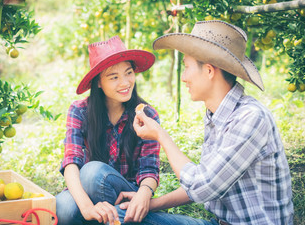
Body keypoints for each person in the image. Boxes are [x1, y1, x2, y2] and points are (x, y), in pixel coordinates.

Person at [115, 20, 294, 225]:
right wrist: (151, 204)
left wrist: (161, 136)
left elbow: (202, 186)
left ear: (209, 71)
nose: (183, 77)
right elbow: (207, 179)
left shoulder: (251, 118)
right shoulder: (216, 114)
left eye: (187, 67)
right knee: (122, 215)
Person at [56, 35, 161, 225]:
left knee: (93, 172)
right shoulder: (80, 111)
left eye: (129, 73)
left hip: (126, 193)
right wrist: (87, 207)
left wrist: (144, 194)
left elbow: (150, 168)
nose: (125, 83)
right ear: (98, 82)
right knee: (63, 207)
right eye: (114, 77)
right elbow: (71, 162)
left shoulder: (146, 115)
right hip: (87, 188)